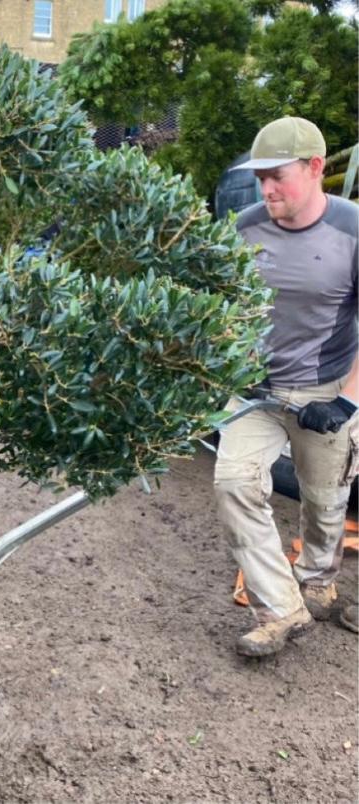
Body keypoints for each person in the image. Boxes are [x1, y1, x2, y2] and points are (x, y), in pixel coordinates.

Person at [214, 117, 358, 657]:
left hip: (327, 391)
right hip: (254, 390)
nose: (266, 188)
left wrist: (346, 399)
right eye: (260, 178)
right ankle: (279, 608)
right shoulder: (245, 227)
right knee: (233, 483)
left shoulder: (352, 229)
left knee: (325, 502)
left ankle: (317, 581)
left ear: (315, 168)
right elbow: (218, 305)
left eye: (278, 176)